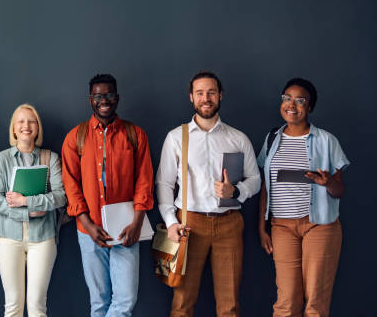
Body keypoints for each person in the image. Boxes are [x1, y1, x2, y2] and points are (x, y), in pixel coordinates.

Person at [156, 70, 261, 317]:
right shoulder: (175, 137)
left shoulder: (238, 138)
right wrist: (171, 223)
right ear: (191, 97)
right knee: (182, 303)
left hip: (229, 224)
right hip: (188, 224)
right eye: (200, 93)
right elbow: (163, 184)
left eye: (211, 92)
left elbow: (255, 179)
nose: (206, 98)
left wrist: (237, 190)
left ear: (220, 96)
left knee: (230, 304)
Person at [61, 73, 154, 317]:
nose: (105, 100)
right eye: (98, 96)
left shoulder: (135, 135)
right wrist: (88, 225)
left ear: (117, 97)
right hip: (89, 232)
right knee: (99, 303)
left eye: (109, 94)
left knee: (125, 301)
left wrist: (136, 224)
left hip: (126, 232)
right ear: (90, 99)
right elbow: (71, 187)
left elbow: (144, 182)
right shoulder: (75, 137)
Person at [257, 78, 349, 317]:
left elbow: (340, 190)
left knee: (315, 303)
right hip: (282, 227)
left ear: (309, 107)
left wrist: (327, 181)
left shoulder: (326, 141)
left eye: (300, 100)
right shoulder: (271, 140)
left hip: (319, 225)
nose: (292, 105)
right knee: (286, 302)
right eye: (287, 98)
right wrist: (262, 227)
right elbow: (266, 187)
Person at [0, 104, 67, 317]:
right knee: (13, 305)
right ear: (14, 128)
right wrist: (27, 212)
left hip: (43, 239)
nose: (26, 126)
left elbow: (60, 196)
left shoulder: (51, 158)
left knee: (37, 306)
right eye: (21, 121)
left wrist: (26, 200)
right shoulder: (1, 159)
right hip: (8, 238)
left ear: (38, 128)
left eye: (32, 121)